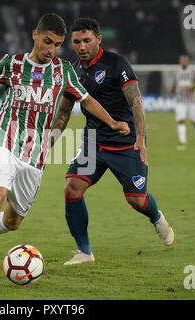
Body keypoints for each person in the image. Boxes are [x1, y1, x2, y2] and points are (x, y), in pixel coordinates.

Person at [0, 13, 130, 285]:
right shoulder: (12, 64)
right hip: (4, 140)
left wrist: (112, 122)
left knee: (12, 222)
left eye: (57, 45)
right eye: (47, 42)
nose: (51, 50)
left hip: (35, 155)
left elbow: (86, 101)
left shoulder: (64, 70)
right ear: (35, 35)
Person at [50, 18, 174, 266]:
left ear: (98, 39)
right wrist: (46, 144)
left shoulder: (117, 64)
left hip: (125, 141)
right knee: (72, 189)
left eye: (87, 40)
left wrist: (140, 138)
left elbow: (136, 102)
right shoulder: (73, 72)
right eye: (76, 42)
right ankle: (84, 252)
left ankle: (157, 217)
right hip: (93, 141)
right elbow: (63, 112)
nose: (82, 46)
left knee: (136, 200)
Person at [167, 54, 195, 151]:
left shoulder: (193, 72)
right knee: (181, 120)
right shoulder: (177, 72)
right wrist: (169, 93)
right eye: (182, 61)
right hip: (180, 101)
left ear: (188, 62)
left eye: (185, 61)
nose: (183, 62)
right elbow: (174, 85)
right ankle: (182, 142)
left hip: (191, 101)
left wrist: (191, 87)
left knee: (194, 121)